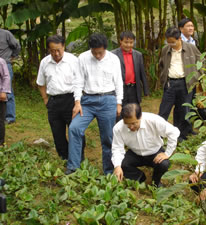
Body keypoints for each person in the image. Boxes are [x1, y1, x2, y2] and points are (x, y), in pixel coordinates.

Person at [66, 33, 123, 175]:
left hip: (108, 100)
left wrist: (119, 102)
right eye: (94, 52)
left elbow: (118, 82)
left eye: (100, 53)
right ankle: (73, 167)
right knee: (74, 128)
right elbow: (78, 81)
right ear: (90, 49)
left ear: (106, 48)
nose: (97, 56)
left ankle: (109, 171)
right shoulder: (83, 58)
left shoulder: (113, 59)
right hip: (87, 101)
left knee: (108, 138)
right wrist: (77, 102)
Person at [36, 35, 85, 160]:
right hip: (53, 102)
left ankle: (79, 158)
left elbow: (80, 81)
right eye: (52, 50)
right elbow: (40, 83)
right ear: (48, 50)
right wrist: (45, 99)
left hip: (71, 100)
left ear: (64, 46)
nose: (56, 53)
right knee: (57, 133)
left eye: (58, 50)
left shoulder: (73, 60)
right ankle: (65, 158)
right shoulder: (45, 62)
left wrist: (77, 102)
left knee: (76, 130)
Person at [112, 103, 180, 187]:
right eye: (127, 124)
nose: (131, 127)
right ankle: (140, 177)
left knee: (164, 164)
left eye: (134, 123)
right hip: (135, 153)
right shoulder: (118, 128)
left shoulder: (153, 120)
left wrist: (167, 153)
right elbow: (117, 148)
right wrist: (117, 166)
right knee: (118, 163)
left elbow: (173, 132)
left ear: (140, 117)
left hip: (155, 153)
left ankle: (156, 182)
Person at [158, 27, 201, 141]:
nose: (170, 44)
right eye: (168, 41)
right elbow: (161, 65)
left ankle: (180, 135)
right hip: (170, 83)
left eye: (173, 42)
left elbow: (201, 63)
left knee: (183, 111)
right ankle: (158, 135)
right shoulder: (165, 49)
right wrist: (164, 78)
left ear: (179, 39)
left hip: (185, 83)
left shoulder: (191, 48)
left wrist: (195, 77)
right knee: (164, 110)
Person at [111, 31, 149, 119]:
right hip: (120, 88)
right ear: (120, 41)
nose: (128, 45)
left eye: (131, 42)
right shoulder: (113, 54)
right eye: (126, 42)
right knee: (119, 113)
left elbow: (142, 73)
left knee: (134, 111)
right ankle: (119, 130)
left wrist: (146, 90)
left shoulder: (138, 55)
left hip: (134, 89)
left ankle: (134, 130)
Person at [0, 28, 21, 124]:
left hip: (5, 65)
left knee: (7, 90)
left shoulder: (6, 34)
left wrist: (13, 56)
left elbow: (17, 46)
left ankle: (10, 117)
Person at [0, 58, 10, 147]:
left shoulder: (1, 61)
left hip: (0, 97)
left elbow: (6, 77)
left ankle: (1, 142)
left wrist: (4, 91)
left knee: (0, 120)